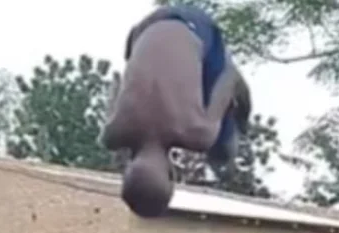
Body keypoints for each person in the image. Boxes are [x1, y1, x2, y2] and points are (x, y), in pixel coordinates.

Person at [101, 4, 251, 218]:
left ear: (173, 173)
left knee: (222, 152)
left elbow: (230, 78)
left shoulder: (197, 133)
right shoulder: (112, 136)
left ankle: (241, 123)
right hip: (145, 28)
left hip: (196, 26)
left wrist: (242, 112)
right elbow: (115, 86)